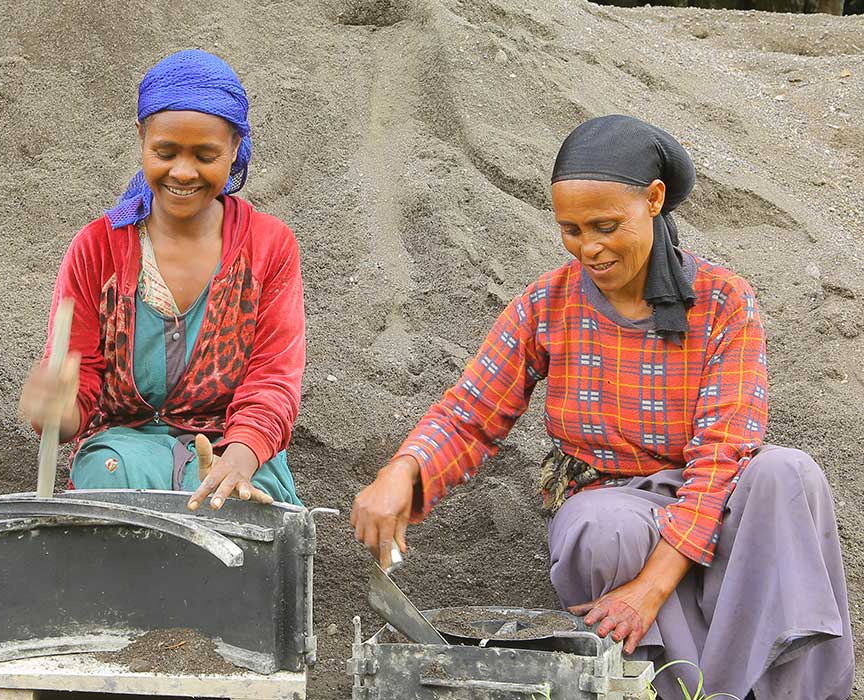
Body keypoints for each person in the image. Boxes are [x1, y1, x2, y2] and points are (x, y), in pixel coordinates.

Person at [350, 115, 853, 698]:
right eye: (571, 229)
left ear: (655, 200)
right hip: (611, 497)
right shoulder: (547, 303)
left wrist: (651, 589)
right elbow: (469, 415)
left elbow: (723, 455)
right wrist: (401, 473)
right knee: (598, 527)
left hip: (715, 492)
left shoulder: (724, 300)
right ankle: (667, 689)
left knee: (787, 474)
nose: (589, 247)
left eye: (606, 226)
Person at [17, 49, 306, 510]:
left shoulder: (269, 247)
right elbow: (81, 377)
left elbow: (273, 378)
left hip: (233, 446)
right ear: (141, 138)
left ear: (234, 148)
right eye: (165, 152)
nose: (183, 171)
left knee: (245, 510)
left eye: (206, 155)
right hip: (125, 449)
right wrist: (56, 409)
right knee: (108, 487)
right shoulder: (98, 248)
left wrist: (244, 455)